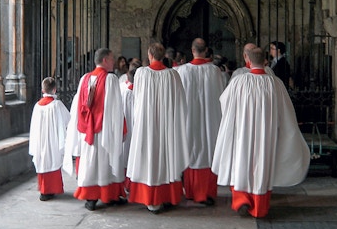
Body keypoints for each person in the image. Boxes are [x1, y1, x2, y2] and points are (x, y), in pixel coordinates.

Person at [212, 47, 310, 218]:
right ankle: (259, 208)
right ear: (265, 61)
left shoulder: (238, 82)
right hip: (266, 134)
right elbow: (285, 112)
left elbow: (224, 103)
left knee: (242, 163)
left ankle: (241, 199)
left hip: (243, 132)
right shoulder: (275, 83)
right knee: (262, 165)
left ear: (247, 60)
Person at [127, 42, 190, 214]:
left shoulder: (141, 73)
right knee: (166, 157)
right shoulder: (173, 75)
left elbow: (137, 99)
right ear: (164, 56)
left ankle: (150, 198)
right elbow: (181, 104)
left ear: (150, 55)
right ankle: (167, 196)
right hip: (166, 124)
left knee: (148, 157)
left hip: (146, 123)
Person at [63, 48, 127, 211]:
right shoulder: (111, 80)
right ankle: (108, 195)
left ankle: (91, 198)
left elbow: (79, 107)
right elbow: (116, 108)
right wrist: (120, 128)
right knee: (106, 162)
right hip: (104, 130)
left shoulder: (85, 79)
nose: (113, 62)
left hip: (88, 130)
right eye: (112, 59)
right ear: (105, 60)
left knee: (90, 162)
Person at [176, 38, 225, 205]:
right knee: (208, 149)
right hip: (209, 120)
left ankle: (191, 191)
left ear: (192, 50)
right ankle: (207, 193)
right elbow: (221, 96)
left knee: (191, 148)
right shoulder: (215, 71)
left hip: (189, 119)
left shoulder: (181, 71)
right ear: (206, 51)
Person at [28, 77, 71, 201]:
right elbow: (68, 119)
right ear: (55, 89)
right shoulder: (57, 105)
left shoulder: (37, 106)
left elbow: (34, 126)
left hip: (41, 141)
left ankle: (44, 190)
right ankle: (51, 189)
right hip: (53, 141)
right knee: (53, 160)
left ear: (42, 90)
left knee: (43, 162)